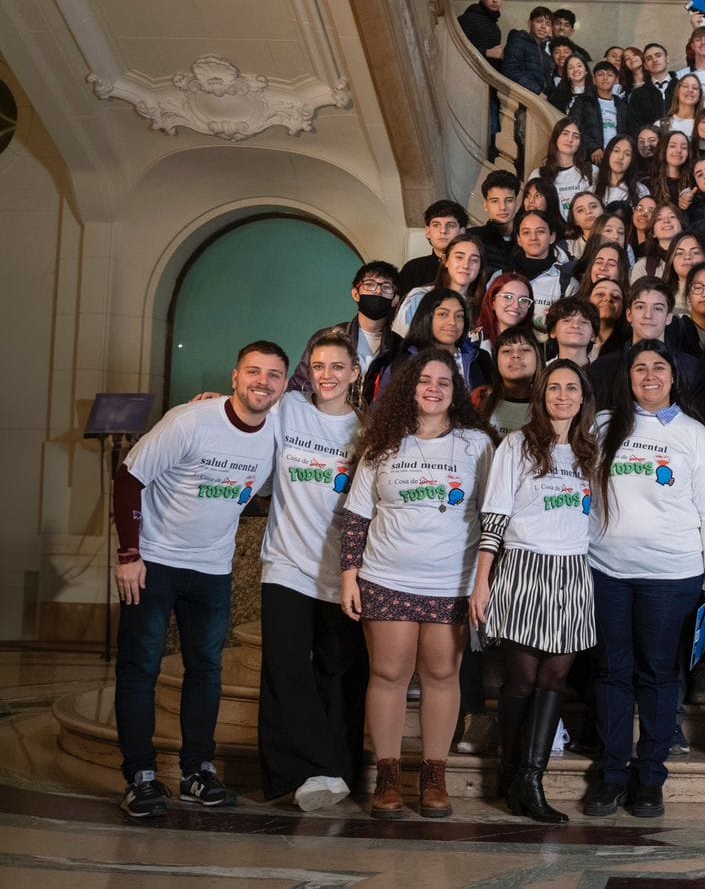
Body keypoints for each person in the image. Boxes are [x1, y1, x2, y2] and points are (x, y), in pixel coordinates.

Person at [112, 342, 288, 817]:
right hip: (154, 561)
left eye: (274, 375)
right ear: (235, 377)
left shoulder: (277, 434)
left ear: (284, 386)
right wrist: (129, 554)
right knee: (140, 668)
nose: (263, 382)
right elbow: (130, 478)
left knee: (206, 671)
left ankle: (197, 771)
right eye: (254, 371)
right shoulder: (190, 421)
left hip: (213, 568)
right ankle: (141, 777)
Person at [339, 350, 494, 819]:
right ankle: (387, 778)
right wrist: (350, 575)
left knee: (442, 676)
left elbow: (493, 515)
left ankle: (433, 776)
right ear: (409, 388)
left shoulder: (476, 445)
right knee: (387, 675)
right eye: (424, 380)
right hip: (386, 576)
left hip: (451, 580)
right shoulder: (383, 442)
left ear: (456, 391)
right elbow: (356, 514)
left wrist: (483, 582)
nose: (433, 388)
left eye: (444, 382)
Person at [580, 341, 705, 819]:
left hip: (671, 574)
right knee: (611, 672)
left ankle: (650, 777)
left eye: (659, 366)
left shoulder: (694, 434)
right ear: (628, 377)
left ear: (674, 377)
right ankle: (612, 772)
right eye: (639, 367)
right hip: (607, 570)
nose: (649, 375)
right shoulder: (601, 426)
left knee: (658, 674)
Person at [470, 360, 598, 824]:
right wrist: (482, 581)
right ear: (541, 395)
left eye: (571, 388)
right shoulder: (519, 445)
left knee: (556, 678)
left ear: (583, 397)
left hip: (571, 571)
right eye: (554, 388)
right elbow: (495, 516)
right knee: (521, 679)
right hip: (524, 566)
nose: (563, 396)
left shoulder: (591, 448)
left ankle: (531, 778)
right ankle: (510, 776)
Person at [257, 333, 366, 812]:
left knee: (337, 673)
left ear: (354, 373)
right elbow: (248, 406)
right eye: (319, 366)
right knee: (284, 666)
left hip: (340, 571)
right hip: (285, 563)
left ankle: (339, 768)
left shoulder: (367, 431)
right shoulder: (289, 408)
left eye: (338, 367)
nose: (327, 375)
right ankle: (303, 769)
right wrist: (210, 402)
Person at [588, 276, 705, 427]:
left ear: (669, 317)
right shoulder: (602, 368)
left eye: (657, 308)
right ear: (629, 314)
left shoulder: (692, 369)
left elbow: (701, 425)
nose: (648, 315)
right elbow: (592, 424)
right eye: (640, 307)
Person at [288, 260, 402, 393]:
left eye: (386, 287)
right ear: (355, 293)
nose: (377, 291)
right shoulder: (327, 338)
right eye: (369, 285)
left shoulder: (400, 348)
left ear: (395, 299)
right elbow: (300, 387)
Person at [394, 233, 487, 339]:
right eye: (459, 257)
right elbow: (399, 345)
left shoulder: (484, 306)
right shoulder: (419, 297)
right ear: (445, 260)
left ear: (480, 268)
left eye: (474, 260)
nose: (466, 265)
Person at [471, 322, 541, 436]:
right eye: (507, 351)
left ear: (538, 357)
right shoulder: (480, 400)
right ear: (496, 360)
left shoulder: (550, 404)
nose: (516, 355)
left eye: (524, 349)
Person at [397, 200, 469, 294]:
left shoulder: (470, 268)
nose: (443, 231)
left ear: (462, 232)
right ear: (427, 231)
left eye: (451, 225)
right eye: (436, 225)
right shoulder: (412, 269)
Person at [470, 170, 523, 275]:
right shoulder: (473, 238)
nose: (503, 207)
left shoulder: (527, 239)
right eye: (495, 201)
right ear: (486, 205)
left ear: (517, 204)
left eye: (508, 200)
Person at [624, 43, 676, 135]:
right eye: (649, 58)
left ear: (667, 58)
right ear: (645, 65)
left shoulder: (682, 87)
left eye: (658, 55)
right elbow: (634, 127)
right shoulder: (638, 94)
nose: (654, 60)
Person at [458, 0, 504, 64]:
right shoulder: (469, 18)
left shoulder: (495, 26)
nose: (495, 0)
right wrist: (486, 52)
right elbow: (457, 48)